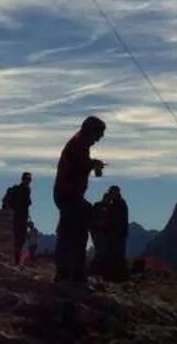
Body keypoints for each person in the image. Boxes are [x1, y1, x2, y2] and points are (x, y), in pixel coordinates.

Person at [52, 115, 106, 289]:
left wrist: (92, 164)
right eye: (99, 133)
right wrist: (93, 165)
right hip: (69, 194)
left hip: (68, 194)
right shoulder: (79, 144)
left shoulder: (78, 143)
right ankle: (72, 276)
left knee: (71, 232)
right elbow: (78, 166)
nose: (100, 138)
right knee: (75, 234)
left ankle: (67, 274)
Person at [2, 171, 33, 265]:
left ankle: (17, 261)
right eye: (28, 179)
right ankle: (17, 261)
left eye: (29, 180)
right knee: (19, 240)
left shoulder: (22, 190)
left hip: (19, 218)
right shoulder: (24, 191)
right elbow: (25, 205)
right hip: (19, 218)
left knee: (19, 240)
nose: (28, 181)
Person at [100, 185, 129, 282]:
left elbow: (112, 219)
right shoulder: (119, 204)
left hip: (116, 235)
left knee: (116, 255)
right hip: (117, 235)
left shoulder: (118, 204)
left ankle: (117, 277)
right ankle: (117, 276)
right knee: (116, 255)